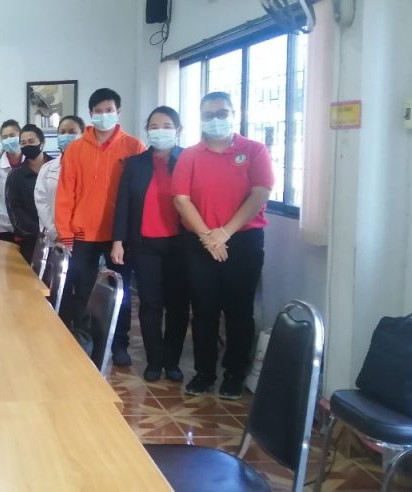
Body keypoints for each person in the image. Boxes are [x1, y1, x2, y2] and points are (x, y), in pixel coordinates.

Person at [171, 92, 273, 400]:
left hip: (243, 241)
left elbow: (260, 193)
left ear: (234, 114)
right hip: (199, 241)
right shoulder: (190, 155)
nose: (216, 119)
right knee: (204, 309)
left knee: (239, 310)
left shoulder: (254, 150)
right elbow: (181, 199)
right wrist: (207, 236)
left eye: (222, 113)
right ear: (200, 119)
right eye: (209, 114)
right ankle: (204, 372)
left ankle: (234, 374)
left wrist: (225, 233)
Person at [55, 88, 146, 368]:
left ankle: (119, 344)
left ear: (118, 112)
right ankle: (87, 339)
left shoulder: (134, 147)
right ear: (91, 114)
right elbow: (66, 193)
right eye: (98, 111)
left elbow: (140, 195)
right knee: (82, 289)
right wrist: (65, 232)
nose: (103, 115)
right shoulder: (76, 149)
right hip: (82, 233)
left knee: (121, 291)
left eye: (109, 110)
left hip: (120, 235)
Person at [111, 107, 190, 383]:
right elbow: (123, 204)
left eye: (166, 125)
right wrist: (118, 241)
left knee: (178, 305)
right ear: (147, 130)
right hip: (144, 245)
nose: (160, 131)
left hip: (181, 245)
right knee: (150, 304)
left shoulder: (188, 160)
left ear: (178, 130)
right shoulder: (135, 164)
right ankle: (155, 361)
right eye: (154, 126)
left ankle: (173, 361)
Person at [6, 124, 54, 262]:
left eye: (31, 141)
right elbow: (15, 209)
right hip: (30, 240)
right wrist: (39, 232)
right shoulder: (15, 175)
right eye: (23, 143)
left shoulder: (57, 168)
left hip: (60, 236)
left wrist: (55, 232)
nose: (27, 146)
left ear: (42, 142)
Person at [35, 115, 85, 244]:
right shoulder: (47, 169)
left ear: (83, 135)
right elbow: (42, 203)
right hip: (56, 237)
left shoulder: (90, 168)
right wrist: (56, 233)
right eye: (62, 132)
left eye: (72, 132)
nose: (66, 136)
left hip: (84, 238)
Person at [0, 119, 22, 242]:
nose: (8, 140)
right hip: (4, 229)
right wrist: (14, 228)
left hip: (30, 229)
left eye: (12, 136)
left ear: (20, 136)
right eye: (5, 137)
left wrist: (24, 227)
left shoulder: (30, 164)